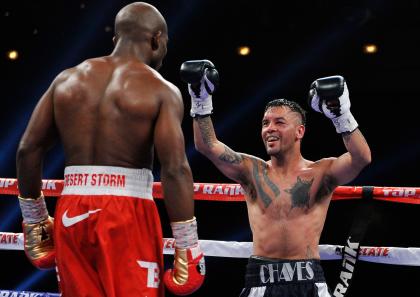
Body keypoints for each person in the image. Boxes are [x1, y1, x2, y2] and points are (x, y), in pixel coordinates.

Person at [15, 3, 205, 297]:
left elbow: (28, 149)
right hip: (126, 213)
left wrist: (36, 221)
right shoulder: (160, 89)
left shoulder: (66, 79)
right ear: (156, 39)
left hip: (72, 210)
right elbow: (175, 168)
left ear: (116, 39)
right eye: (165, 43)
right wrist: (187, 243)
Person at [180, 60, 371, 297]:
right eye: (265, 123)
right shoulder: (252, 171)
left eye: (279, 122)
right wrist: (200, 99)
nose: (269, 128)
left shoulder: (320, 173)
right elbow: (207, 145)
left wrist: (341, 115)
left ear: (299, 131)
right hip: (260, 280)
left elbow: (361, 158)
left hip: (309, 280)